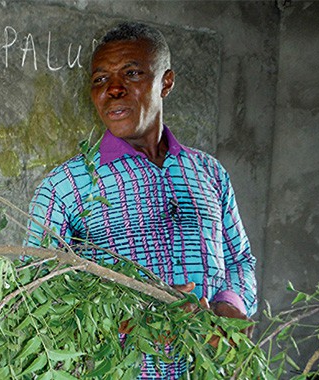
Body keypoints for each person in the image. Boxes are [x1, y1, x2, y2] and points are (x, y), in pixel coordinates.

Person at [25, 21, 257, 378]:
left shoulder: (209, 172)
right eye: (100, 79)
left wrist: (231, 305)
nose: (113, 89)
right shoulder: (65, 186)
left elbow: (239, 259)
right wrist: (129, 318)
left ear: (165, 82)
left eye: (131, 73)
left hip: (210, 371)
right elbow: (36, 290)